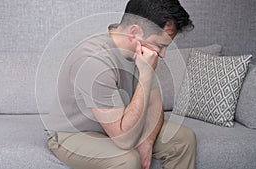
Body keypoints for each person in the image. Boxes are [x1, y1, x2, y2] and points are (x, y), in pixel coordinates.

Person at [47, 0, 196, 168]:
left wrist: (147, 141)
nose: (162, 55)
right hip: (74, 134)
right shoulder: (93, 61)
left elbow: (155, 105)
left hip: (119, 124)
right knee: (128, 158)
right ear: (134, 33)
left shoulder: (142, 52)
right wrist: (146, 74)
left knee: (183, 138)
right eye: (160, 45)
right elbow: (124, 140)